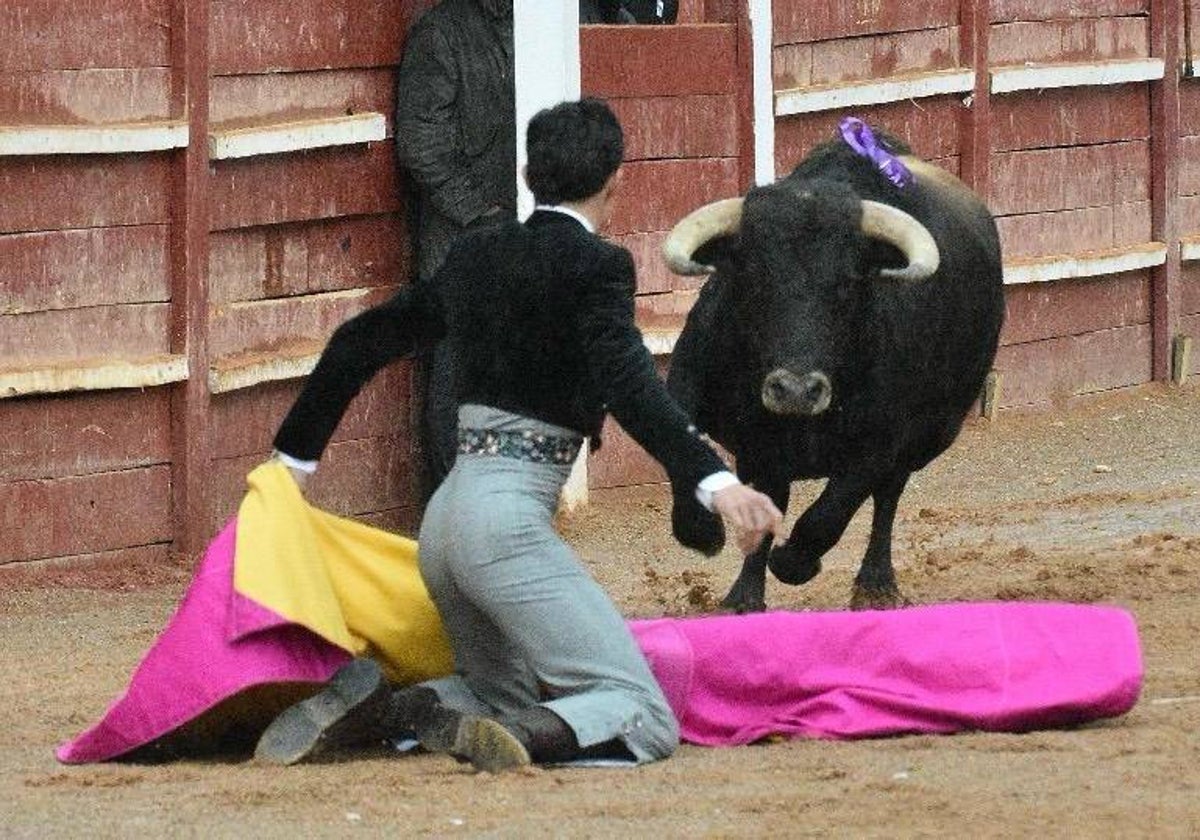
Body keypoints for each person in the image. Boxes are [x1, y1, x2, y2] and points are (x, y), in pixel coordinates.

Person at [257, 98, 782, 773]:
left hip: (443, 527)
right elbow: (628, 384)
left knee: (500, 693)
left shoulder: (476, 255)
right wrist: (714, 480)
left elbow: (361, 340)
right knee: (641, 712)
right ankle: (524, 743)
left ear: (530, 172)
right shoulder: (599, 267)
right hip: (505, 527)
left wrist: (294, 458)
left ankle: (384, 710)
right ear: (616, 179)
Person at [395, 0, 517, 498]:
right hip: (460, 246)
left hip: (513, 236)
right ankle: (454, 509)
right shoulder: (441, 35)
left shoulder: (534, 24)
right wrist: (481, 215)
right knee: (457, 381)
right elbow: (420, 146)